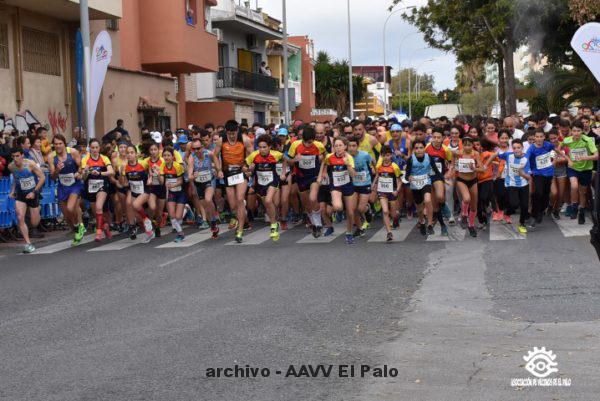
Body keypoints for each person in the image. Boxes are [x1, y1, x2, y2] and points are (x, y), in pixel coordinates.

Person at [213, 120, 254, 243]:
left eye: (234, 133)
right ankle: (244, 219)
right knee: (233, 205)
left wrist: (248, 167)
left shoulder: (245, 139)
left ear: (237, 131)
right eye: (230, 133)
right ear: (226, 132)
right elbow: (215, 155)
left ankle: (240, 231)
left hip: (241, 172)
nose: (232, 136)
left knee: (240, 198)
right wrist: (219, 169)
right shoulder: (221, 140)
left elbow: (252, 156)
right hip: (228, 173)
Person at [284, 126, 326, 238]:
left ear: (314, 139)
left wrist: (322, 174)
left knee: (313, 198)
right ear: (302, 138)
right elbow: (287, 161)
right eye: (306, 142)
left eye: (310, 142)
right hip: (301, 177)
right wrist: (294, 160)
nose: (308, 144)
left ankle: (318, 223)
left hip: (314, 176)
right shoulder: (295, 145)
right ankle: (313, 223)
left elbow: (325, 160)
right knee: (306, 204)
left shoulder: (319, 145)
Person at [49, 134, 86, 245]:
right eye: (55, 144)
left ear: (64, 144)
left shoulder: (73, 152)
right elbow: (52, 177)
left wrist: (79, 173)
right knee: (66, 215)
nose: (58, 146)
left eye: (60, 143)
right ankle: (76, 229)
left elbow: (81, 166)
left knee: (71, 208)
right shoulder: (51, 157)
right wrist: (57, 170)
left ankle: (79, 226)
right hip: (62, 187)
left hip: (75, 185)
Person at [318, 137, 357, 244]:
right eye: (336, 146)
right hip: (335, 186)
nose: (338, 148)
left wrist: (347, 164)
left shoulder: (349, 157)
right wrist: (321, 175)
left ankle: (349, 233)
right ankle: (339, 212)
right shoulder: (329, 157)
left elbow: (353, 175)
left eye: (340, 145)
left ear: (345, 146)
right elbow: (324, 163)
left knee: (350, 212)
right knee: (337, 206)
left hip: (348, 185)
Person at [8, 147, 45, 253]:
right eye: (13, 156)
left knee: (34, 223)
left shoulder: (30, 164)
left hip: (33, 193)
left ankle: (38, 208)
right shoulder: (11, 166)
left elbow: (42, 178)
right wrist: (12, 191)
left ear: (22, 156)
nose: (15, 159)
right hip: (20, 195)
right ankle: (28, 243)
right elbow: (16, 179)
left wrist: (34, 192)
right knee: (20, 217)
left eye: (17, 156)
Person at [247, 135, 283, 241]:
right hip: (261, 184)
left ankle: (273, 226)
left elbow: (286, 160)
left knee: (269, 200)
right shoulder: (254, 155)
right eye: (260, 147)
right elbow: (245, 167)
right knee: (268, 205)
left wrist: (283, 172)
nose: (262, 149)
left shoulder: (276, 154)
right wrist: (249, 169)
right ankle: (274, 223)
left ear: (269, 147)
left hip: (273, 181)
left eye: (264, 147)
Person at [562, 120, 598, 224]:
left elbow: (596, 156)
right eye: (574, 131)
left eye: (578, 131)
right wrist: (568, 159)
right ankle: (574, 206)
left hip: (586, 169)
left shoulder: (588, 140)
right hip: (573, 168)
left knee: (583, 192)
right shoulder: (567, 140)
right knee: (574, 186)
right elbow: (559, 149)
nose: (576, 133)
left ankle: (581, 211)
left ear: (582, 131)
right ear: (571, 131)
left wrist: (584, 157)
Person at [493, 139, 532, 234]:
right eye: (514, 148)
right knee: (514, 204)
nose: (516, 150)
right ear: (512, 149)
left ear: (522, 148)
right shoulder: (508, 155)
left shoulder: (526, 158)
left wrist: (522, 174)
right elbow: (495, 154)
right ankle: (508, 212)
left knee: (524, 206)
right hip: (511, 184)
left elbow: (529, 177)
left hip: (523, 184)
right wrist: (486, 164)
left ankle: (522, 224)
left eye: (519, 148)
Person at [119, 144, 155, 242]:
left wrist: (150, 178)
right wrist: (121, 174)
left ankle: (147, 220)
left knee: (135, 205)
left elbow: (151, 168)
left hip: (144, 190)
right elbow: (124, 183)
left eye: (132, 153)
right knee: (137, 217)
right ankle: (149, 232)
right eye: (128, 153)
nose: (129, 155)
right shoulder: (124, 166)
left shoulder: (143, 163)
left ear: (136, 154)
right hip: (134, 191)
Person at [81, 138, 114, 242]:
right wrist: (86, 171)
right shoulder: (85, 159)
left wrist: (100, 173)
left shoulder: (104, 158)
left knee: (99, 207)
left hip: (102, 186)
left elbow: (111, 172)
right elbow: (83, 177)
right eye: (92, 148)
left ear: (99, 148)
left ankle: (98, 233)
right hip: (90, 188)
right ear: (89, 148)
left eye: (96, 147)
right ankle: (105, 226)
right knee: (97, 212)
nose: (94, 149)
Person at [188, 138, 221, 238]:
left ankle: (214, 218)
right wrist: (193, 175)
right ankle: (213, 223)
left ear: (202, 147)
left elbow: (217, 162)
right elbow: (189, 175)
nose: (196, 151)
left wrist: (218, 170)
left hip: (209, 180)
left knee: (208, 199)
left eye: (198, 148)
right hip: (199, 184)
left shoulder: (209, 154)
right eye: (194, 149)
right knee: (206, 208)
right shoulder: (192, 157)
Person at [405, 140, 440, 236]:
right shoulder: (411, 160)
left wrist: (442, 180)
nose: (419, 150)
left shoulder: (429, 157)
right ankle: (422, 221)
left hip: (426, 182)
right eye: (416, 148)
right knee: (420, 210)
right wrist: (409, 177)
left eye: (421, 148)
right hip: (415, 186)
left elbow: (436, 171)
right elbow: (406, 175)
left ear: (424, 148)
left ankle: (429, 224)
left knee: (428, 200)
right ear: (413, 150)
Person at [454, 136, 484, 237]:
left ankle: (471, 225)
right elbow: (453, 165)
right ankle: (464, 214)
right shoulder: (458, 153)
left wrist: (474, 168)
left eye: (469, 145)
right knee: (466, 199)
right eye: (465, 145)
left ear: (472, 145)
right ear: (462, 144)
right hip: (461, 180)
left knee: (474, 206)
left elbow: (482, 169)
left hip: (473, 180)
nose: (467, 147)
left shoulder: (475, 154)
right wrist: (453, 167)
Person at [425, 130, 453, 235]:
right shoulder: (427, 147)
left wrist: (448, 174)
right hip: (428, 176)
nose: (436, 139)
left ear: (442, 138)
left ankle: (445, 206)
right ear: (432, 137)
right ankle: (443, 226)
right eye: (434, 137)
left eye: (439, 137)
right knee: (435, 206)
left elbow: (450, 164)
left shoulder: (446, 150)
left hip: (439, 176)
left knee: (440, 197)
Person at [372, 145, 402, 242]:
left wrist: (396, 190)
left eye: (388, 155)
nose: (386, 158)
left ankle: (396, 218)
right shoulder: (379, 166)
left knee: (394, 214)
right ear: (381, 156)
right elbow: (378, 175)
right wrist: (374, 184)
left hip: (392, 192)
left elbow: (399, 180)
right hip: (382, 191)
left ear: (391, 155)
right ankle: (389, 233)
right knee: (385, 211)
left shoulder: (394, 166)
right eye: (384, 155)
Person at [348, 136, 375, 237]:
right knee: (353, 208)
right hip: (353, 184)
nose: (352, 148)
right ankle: (359, 228)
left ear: (357, 146)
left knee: (360, 208)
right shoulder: (346, 157)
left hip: (365, 184)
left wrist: (374, 171)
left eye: (354, 146)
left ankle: (367, 209)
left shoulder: (365, 155)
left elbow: (373, 162)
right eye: (350, 146)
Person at [160, 147, 187, 242]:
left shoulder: (177, 166)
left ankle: (186, 208)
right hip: (171, 193)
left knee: (178, 216)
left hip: (180, 192)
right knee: (172, 215)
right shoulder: (162, 165)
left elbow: (181, 181)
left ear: (172, 157)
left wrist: (172, 185)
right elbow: (162, 181)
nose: (166, 157)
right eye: (164, 155)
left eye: (168, 155)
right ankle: (180, 234)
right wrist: (157, 175)